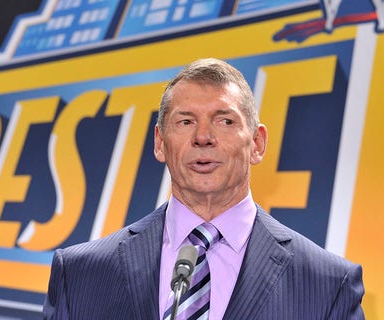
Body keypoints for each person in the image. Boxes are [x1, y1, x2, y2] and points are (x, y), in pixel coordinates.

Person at [43, 58, 365, 319]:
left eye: (224, 121)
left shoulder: (328, 287)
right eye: (185, 122)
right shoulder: (80, 275)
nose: (203, 137)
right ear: (159, 143)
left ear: (257, 143)